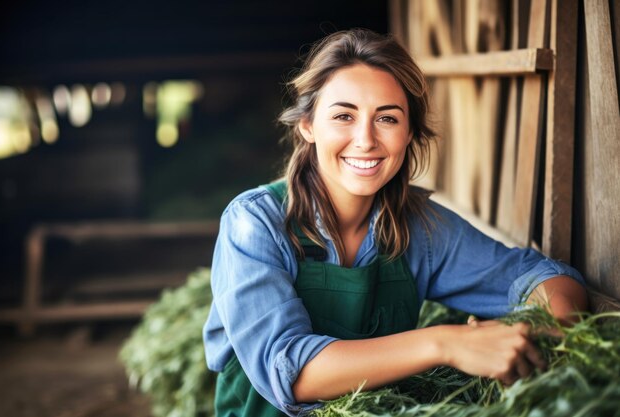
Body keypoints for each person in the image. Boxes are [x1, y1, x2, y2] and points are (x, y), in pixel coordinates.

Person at [203, 29, 588, 417]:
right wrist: (448, 344)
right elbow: (292, 373)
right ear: (307, 125)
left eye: (387, 118)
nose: (366, 139)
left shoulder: (422, 229)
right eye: (343, 116)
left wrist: (538, 332)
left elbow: (543, 277)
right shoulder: (255, 223)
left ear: (408, 134)